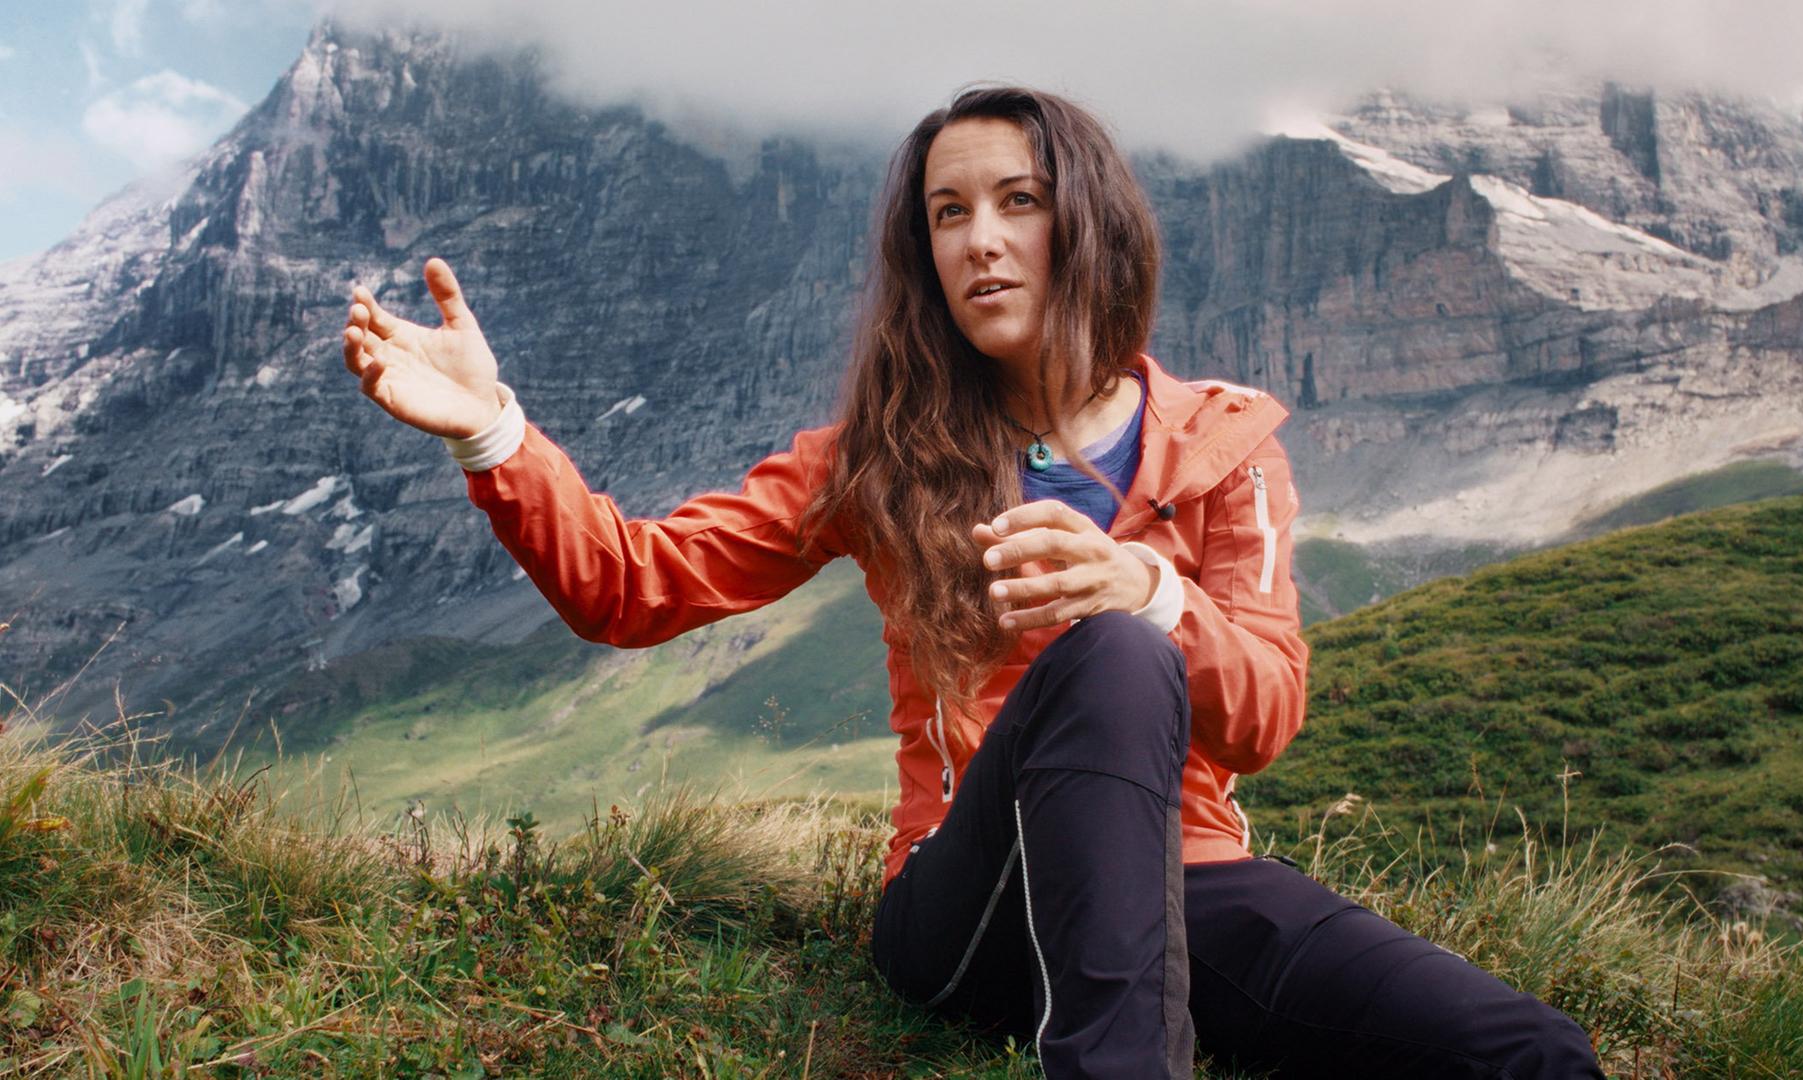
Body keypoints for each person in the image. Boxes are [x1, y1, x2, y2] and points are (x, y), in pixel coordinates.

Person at [341, 85, 1602, 1078]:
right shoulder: (877, 459)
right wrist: (493, 433)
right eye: (949, 213)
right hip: (968, 908)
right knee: (1105, 657)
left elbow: (1267, 713)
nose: (982, 241)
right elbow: (634, 586)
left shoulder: (1229, 447)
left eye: (1018, 201)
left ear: (1088, 220)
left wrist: (1148, 591)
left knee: (1529, 1052)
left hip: (1186, 882)